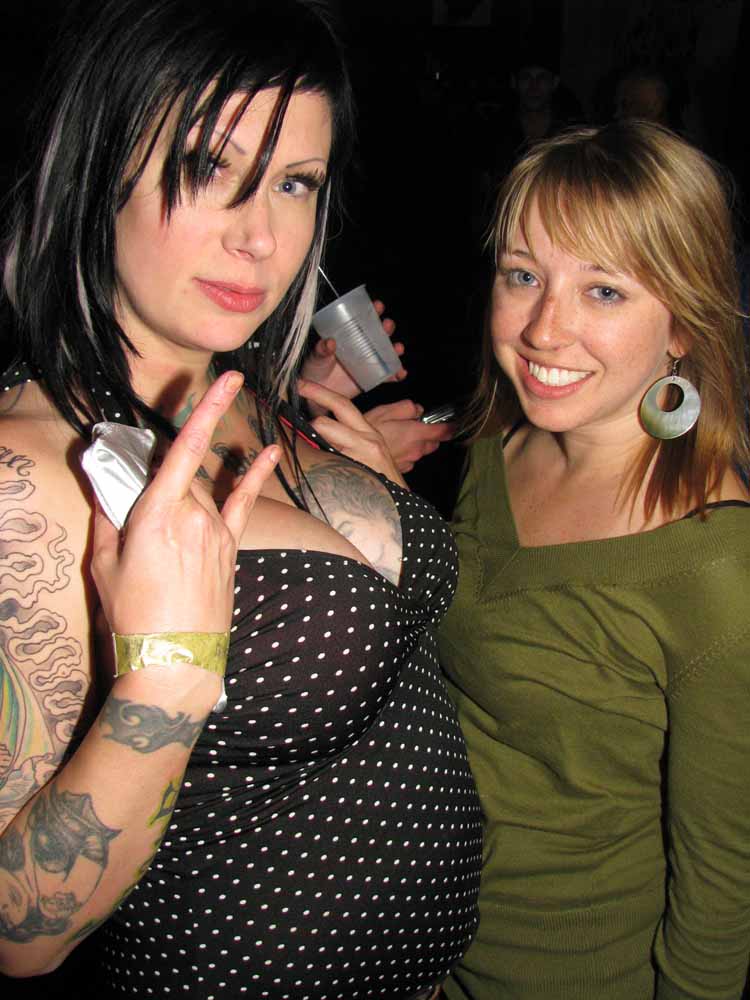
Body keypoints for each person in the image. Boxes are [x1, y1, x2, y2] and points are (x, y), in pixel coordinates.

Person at [0, 1, 482, 996]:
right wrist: (165, 678)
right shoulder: (32, 473)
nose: (262, 238)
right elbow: (17, 929)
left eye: (295, 183)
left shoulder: (251, 390)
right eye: (209, 167)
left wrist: (354, 474)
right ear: (96, 169)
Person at [436, 121, 750, 999]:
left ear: (683, 324)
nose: (545, 329)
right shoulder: (499, 446)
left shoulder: (716, 574)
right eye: (523, 275)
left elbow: (720, 899)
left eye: (604, 290)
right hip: (416, 943)